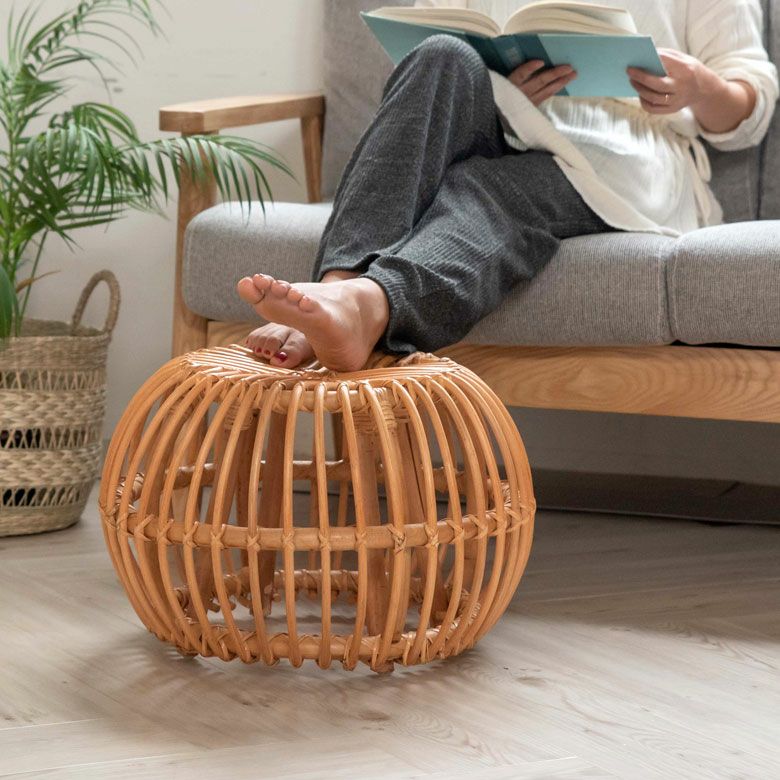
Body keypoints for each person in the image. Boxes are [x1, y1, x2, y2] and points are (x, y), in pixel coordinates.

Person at [236, 0, 778, 371]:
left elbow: (748, 110)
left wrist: (701, 87)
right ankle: (338, 285)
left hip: (626, 154)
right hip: (502, 119)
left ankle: (366, 304)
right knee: (439, 55)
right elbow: (431, 36)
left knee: (484, 187)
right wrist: (502, 81)